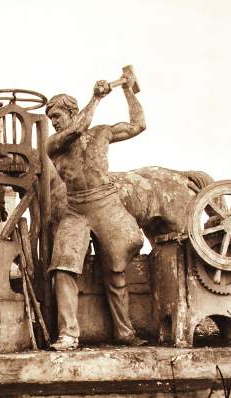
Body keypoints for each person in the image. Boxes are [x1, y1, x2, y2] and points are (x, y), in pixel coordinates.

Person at [46, 73, 146, 351]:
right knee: (63, 267)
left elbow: (139, 125)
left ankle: (125, 333)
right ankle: (68, 335)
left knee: (116, 272)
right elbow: (76, 130)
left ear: (70, 111)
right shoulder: (54, 143)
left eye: (57, 115)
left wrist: (128, 90)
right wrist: (97, 97)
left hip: (106, 204)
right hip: (76, 208)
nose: (53, 121)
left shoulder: (101, 132)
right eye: (51, 118)